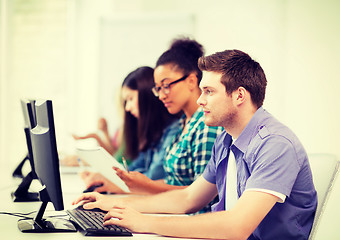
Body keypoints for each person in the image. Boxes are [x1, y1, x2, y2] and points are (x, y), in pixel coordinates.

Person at [73, 49, 317, 239]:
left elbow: (236, 226)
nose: (200, 100)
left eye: (209, 91)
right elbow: (188, 198)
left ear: (239, 95)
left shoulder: (275, 145)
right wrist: (115, 203)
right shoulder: (226, 138)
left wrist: (145, 222)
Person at [112, 38, 223, 197]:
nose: (162, 96)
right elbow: (173, 181)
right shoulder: (181, 125)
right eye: (158, 89)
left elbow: (202, 196)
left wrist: (147, 185)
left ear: (191, 81)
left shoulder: (207, 126)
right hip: (172, 209)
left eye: (166, 86)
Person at [80, 66, 180, 193]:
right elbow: (136, 167)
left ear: (147, 97)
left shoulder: (173, 130)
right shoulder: (153, 133)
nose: (127, 107)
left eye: (130, 99)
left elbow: (153, 176)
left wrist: (118, 184)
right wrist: (108, 177)